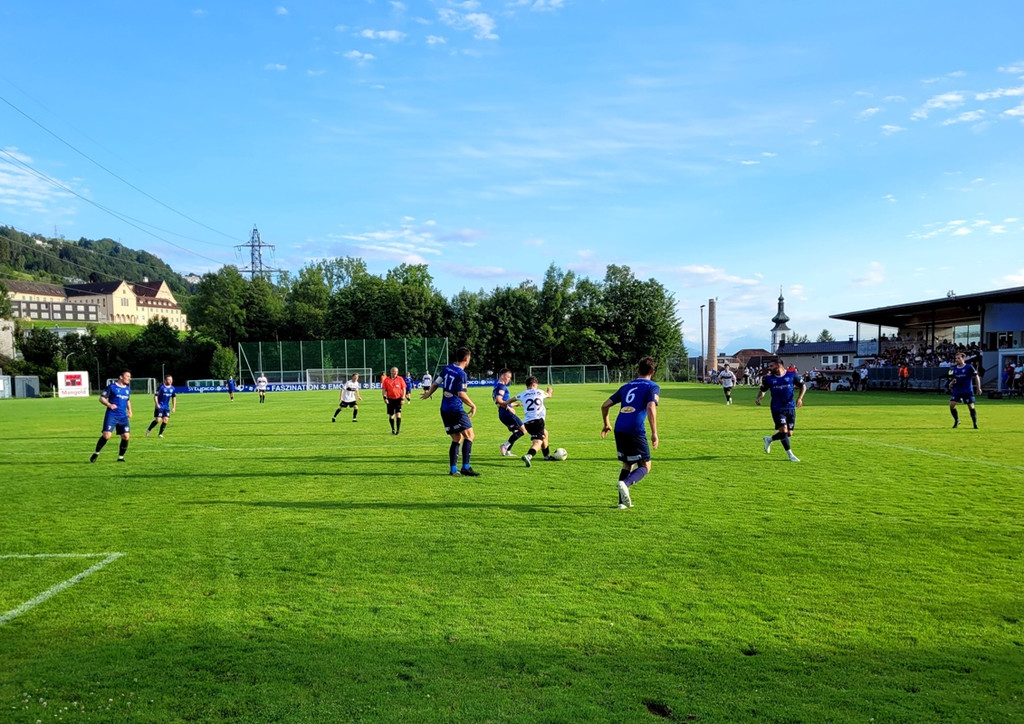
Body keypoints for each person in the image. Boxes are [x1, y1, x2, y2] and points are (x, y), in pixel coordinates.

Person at [600, 357, 660, 509]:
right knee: (646, 466)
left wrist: (607, 423)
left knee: (628, 463)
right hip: (635, 429)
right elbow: (651, 407)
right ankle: (625, 483)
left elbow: (605, 405)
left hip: (620, 427)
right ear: (652, 372)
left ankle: (621, 503)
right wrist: (654, 433)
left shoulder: (626, 386)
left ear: (638, 370)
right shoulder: (652, 386)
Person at [421, 347, 479, 476]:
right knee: (470, 436)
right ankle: (466, 467)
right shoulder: (461, 374)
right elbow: (461, 394)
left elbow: (436, 384)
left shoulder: (447, 368)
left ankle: (453, 470)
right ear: (466, 359)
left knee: (457, 438)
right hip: (456, 409)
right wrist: (473, 405)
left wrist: (428, 393)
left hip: (444, 410)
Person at [755, 359, 806, 463]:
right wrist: (759, 398)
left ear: (778, 365)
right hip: (777, 408)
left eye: (771, 366)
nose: (769, 368)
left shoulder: (792, 375)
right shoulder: (769, 379)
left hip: (790, 407)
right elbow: (763, 390)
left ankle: (769, 439)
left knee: (789, 433)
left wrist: (800, 398)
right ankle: (790, 455)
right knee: (783, 430)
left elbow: (803, 386)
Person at [90, 369, 133, 463]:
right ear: (121, 377)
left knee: (126, 436)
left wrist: (130, 410)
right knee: (106, 435)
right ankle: (96, 453)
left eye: (130, 376)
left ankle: (120, 457)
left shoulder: (127, 389)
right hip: (112, 415)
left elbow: (127, 400)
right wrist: (109, 405)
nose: (129, 378)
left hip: (123, 416)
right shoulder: (111, 387)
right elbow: (101, 398)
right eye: (127, 376)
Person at [514, 377, 554, 467]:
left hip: (527, 423)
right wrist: (549, 391)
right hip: (537, 421)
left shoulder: (523, 393)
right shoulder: (539, 391)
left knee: (545, 433)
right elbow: (549, 395)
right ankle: (529, 455)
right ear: (534, 385)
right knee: (538, 442)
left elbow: (510, 400)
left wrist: (504, 404)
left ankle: (546, 456)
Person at [492, 368, 528, 456]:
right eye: (508, 377)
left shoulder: (496, 386)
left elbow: (502, 401)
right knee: (523, 430)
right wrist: (509, 408)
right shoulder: (501, 386)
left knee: (516, 432)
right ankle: (505, 445)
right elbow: (499, 400)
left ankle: (508, 451)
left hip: (502, 413)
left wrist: (516, 405)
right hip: (506, 413)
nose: (509, 379)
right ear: (503, 376)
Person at [947, 352, 981, 428]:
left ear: (963, 358)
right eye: (956, 358)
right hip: (957, 390)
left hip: (967, 390)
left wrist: (978, 387)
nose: (957, 360)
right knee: (952, 405)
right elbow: (956, 378)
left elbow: (976, 376)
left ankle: (975, 424)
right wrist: (951, 382)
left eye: (958, 358)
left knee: (971, 407)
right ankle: (956, 420)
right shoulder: (955, 368)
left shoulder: (969, 367)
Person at [382, 367, 407, 434]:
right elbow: (384, 390)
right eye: (394, 371)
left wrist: (403, 398)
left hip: (398, 399)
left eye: (396, 371)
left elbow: (404, 389)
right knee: (391, 415)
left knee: (398, 414)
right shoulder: (386, 380)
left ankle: (398, 430)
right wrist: (385, 398)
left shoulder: (400, 379)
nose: (395, 372)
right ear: (391, 372)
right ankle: (393, 429)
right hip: (390, 399)